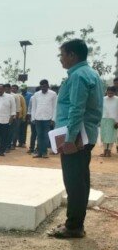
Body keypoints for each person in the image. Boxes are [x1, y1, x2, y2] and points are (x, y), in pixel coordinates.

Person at [47, 39, 104, 238]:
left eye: (62, 55)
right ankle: (75, 222)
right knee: (80, 181)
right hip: (84, 135)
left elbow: (76, 108)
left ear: (73, 55)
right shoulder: (90, 73)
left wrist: (70, 139)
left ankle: (73, 226)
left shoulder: (79, 76)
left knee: (74, 182)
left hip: (77, 138)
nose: (61, 59)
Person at [30, 79, 57, 158]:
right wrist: (33, 118)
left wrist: (53, 119)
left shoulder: (53, 94)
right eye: (42, 86)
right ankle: (39, 152)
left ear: (48, 86)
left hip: (48, 118)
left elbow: (55, 107)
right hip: (38, 118)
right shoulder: (36, 94)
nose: (43, 88)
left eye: (45, 86)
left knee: (45, 136)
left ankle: (44, 152)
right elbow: (34, 107)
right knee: (39, 135)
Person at [100, 86, 118, 157]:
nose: (110, 94)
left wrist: (117, 121)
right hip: (104, 119)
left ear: (115, 92)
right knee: (104, 135)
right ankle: (105, 151)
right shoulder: (103, 99)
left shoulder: (117, 99)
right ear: (106, 92)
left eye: (111, 93)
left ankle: (109, 151)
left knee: (111, 136)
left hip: (113, 120)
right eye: (108, 92)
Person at [10, 84, 27, 149]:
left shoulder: (20, 96)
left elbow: (24, 106)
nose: (13, 89)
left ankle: (13, 144)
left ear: (17, 90)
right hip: (9, 116)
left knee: (15, 131)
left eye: (15, 88)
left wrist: (24, 116)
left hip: (18, 116)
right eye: (12, 88)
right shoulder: (8, 96)